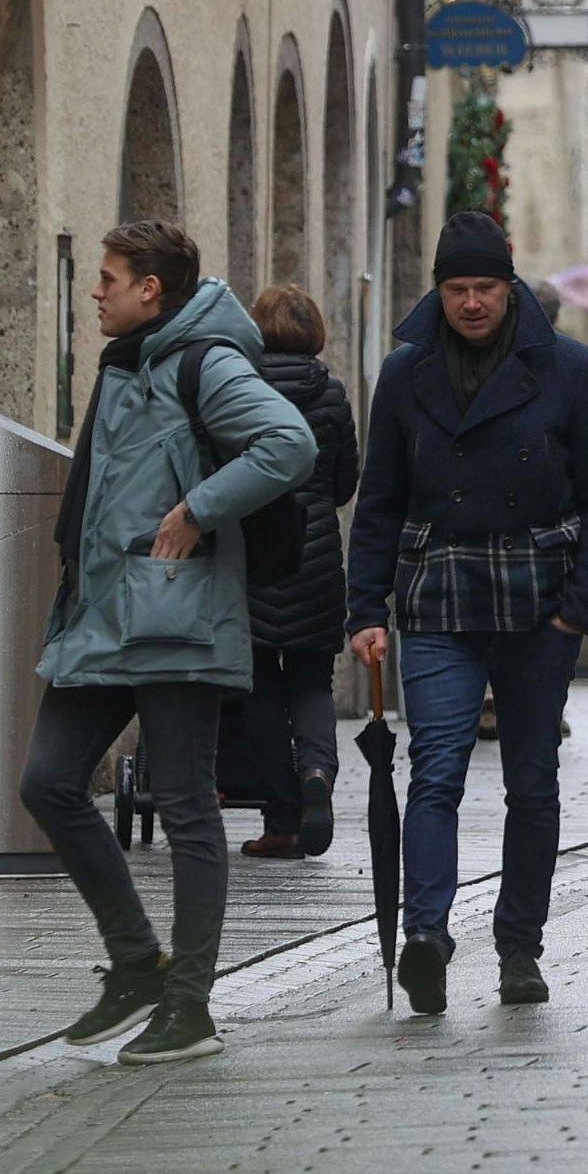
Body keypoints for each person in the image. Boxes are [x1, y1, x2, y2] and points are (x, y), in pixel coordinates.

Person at [22, 221, 315, 1066]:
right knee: (48, 781)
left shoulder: (203, 360)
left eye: (108, 277)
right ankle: (134, 963)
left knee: (187, 805)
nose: (95, 290)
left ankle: (189, 1006)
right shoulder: (128, 362)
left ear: (151, 288)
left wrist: (197, 510)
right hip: (104, 612)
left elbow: (289, 443)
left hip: (178, 614)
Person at [346, 212, 588, 1014]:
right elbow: (379, 500)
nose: (471, 303)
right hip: (438, 596)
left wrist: (581, 609)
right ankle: (426, 936)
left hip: (539, 605)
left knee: (531, 781)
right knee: (435, 766)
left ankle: (518, 946)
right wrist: (365, 608)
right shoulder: (406, 373)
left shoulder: (568, 368)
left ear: (510, 288)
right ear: (438, 291)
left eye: (485, 288)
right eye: (456, 288)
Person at [224, 286, 361, 858]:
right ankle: (318, 773)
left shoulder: (239, 389)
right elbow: (345, 482)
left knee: (257, 685)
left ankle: (283, 822)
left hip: (252, 554)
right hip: (315, 558)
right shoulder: (332, 394)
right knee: (311, 680)